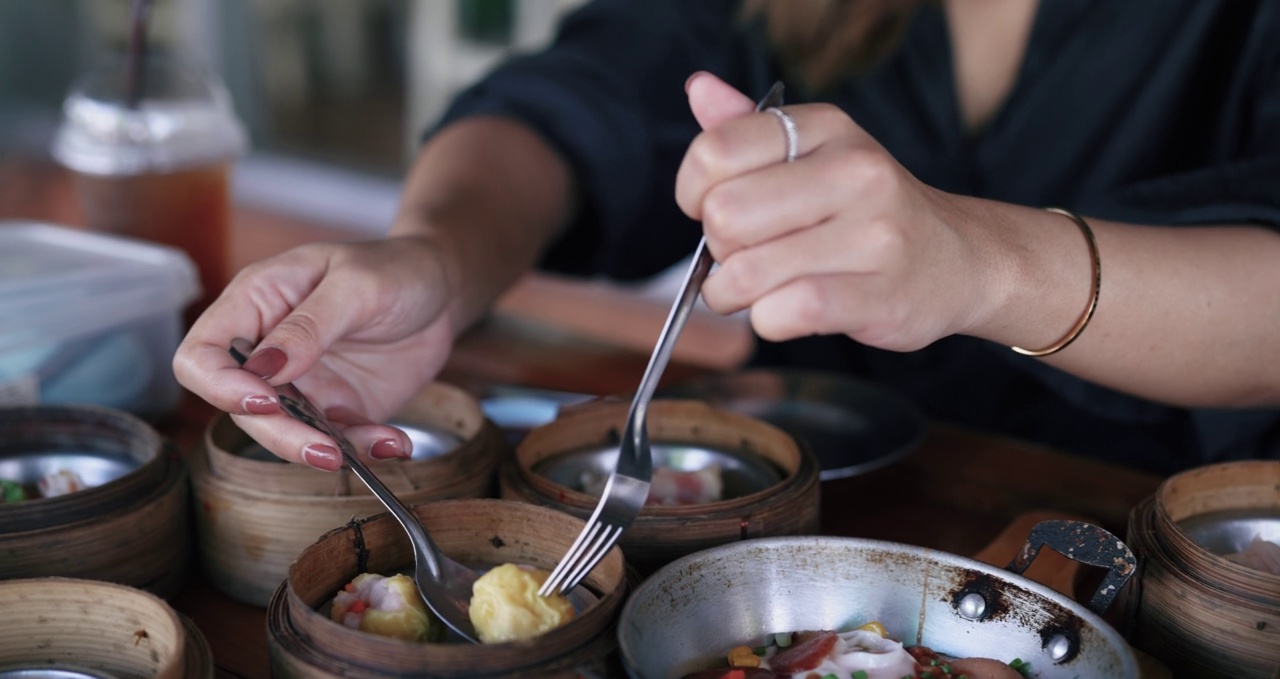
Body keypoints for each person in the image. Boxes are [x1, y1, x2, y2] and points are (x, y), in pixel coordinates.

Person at [174, 0, 1280, 477]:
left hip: (1181, 554)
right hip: (806, 492)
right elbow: (580, 96)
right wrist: (433, 258)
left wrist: (982, 265)